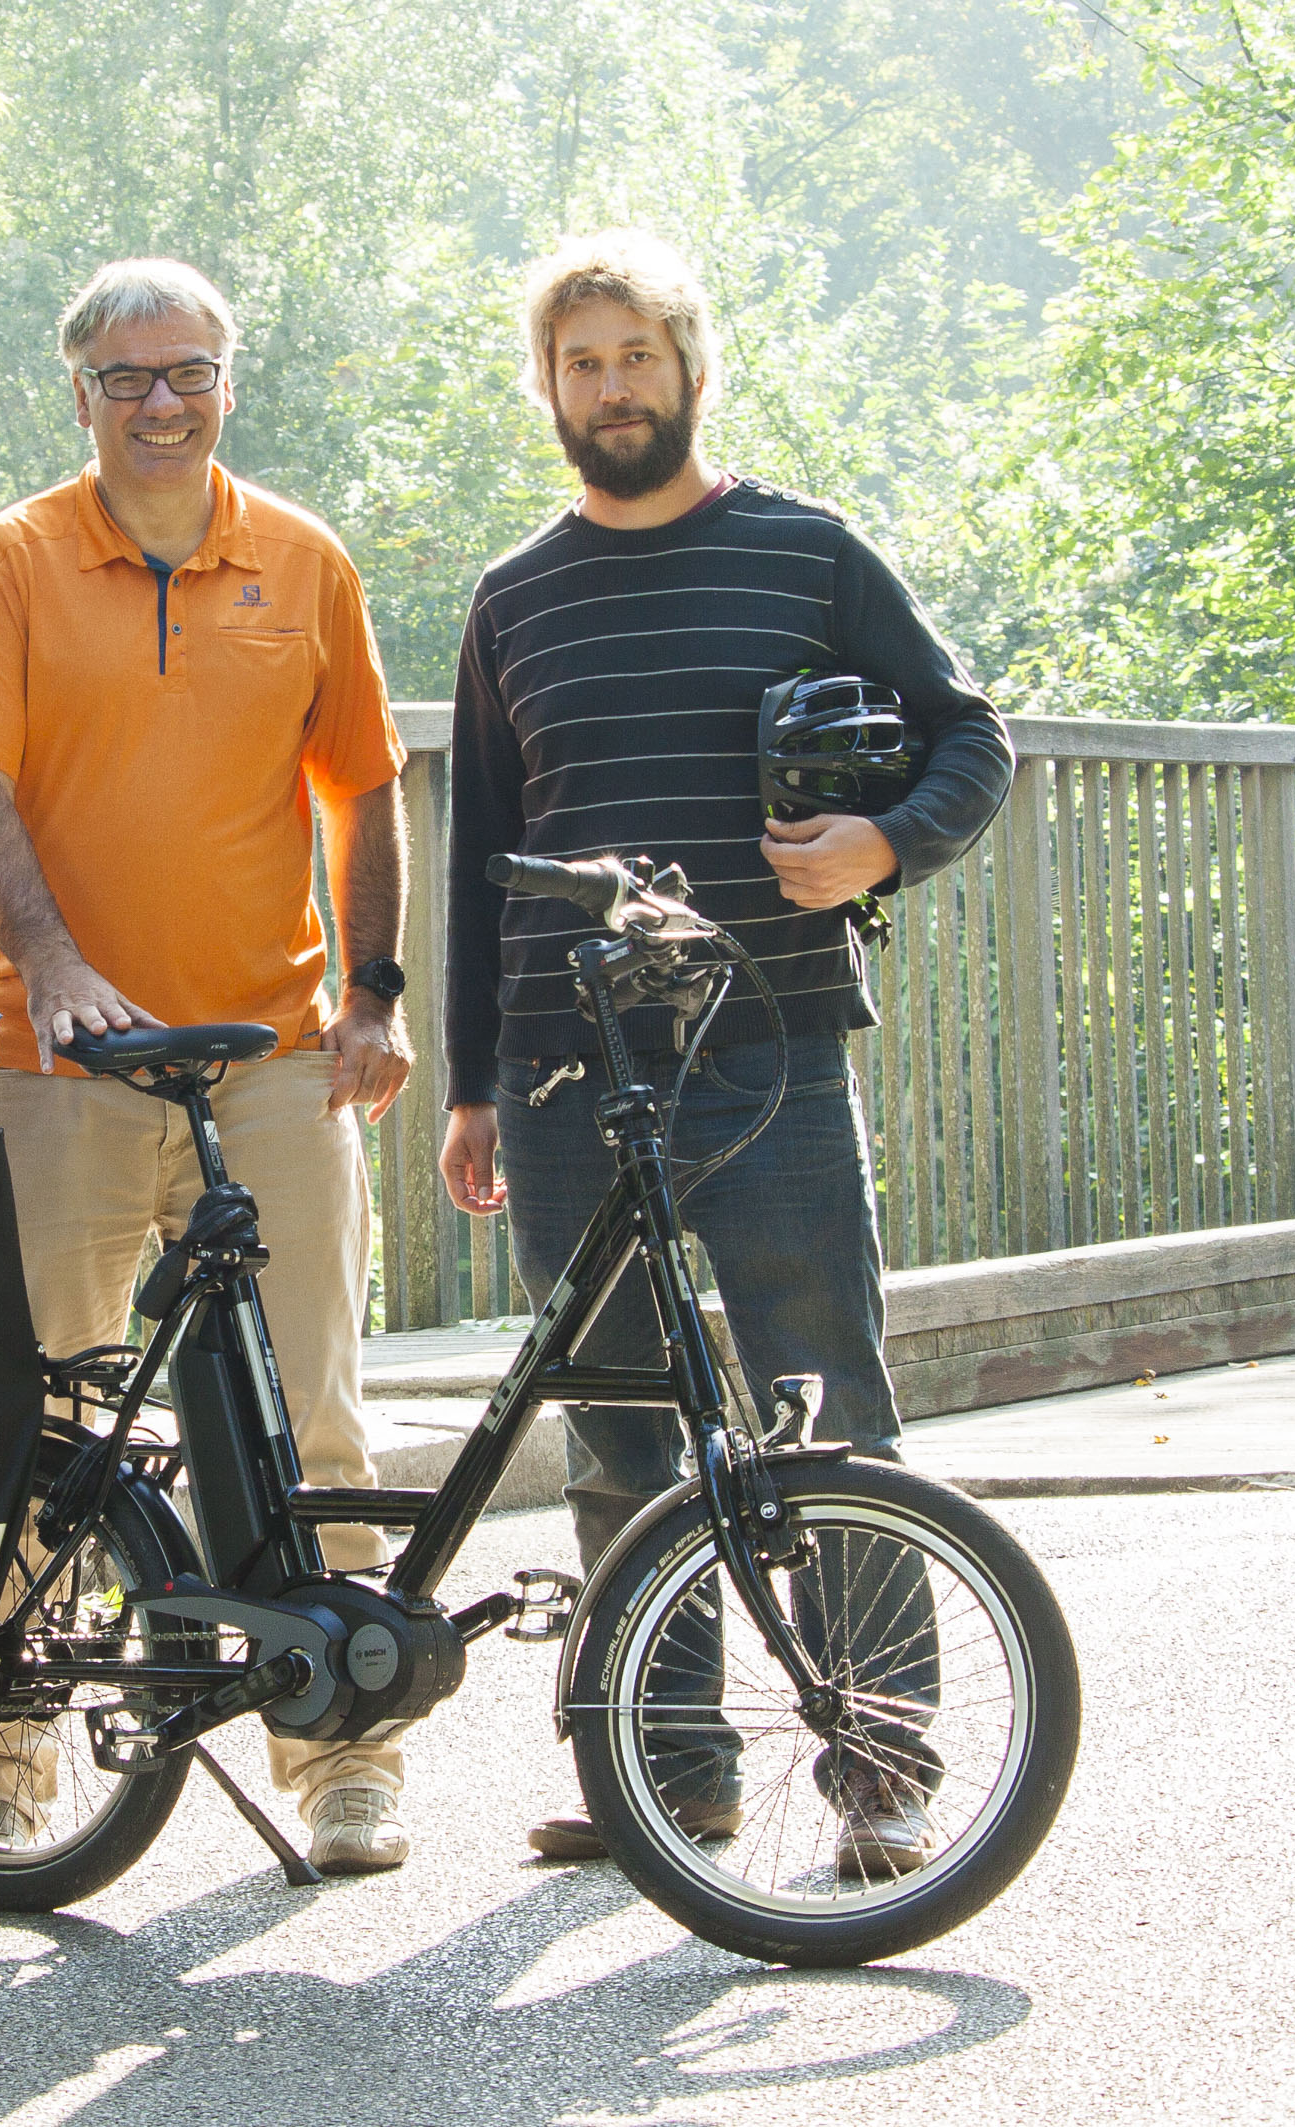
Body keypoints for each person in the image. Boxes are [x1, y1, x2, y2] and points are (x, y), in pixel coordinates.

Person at [434, 231, 1016, 1874]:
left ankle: (886, 1766)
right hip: (563, 1075)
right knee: (618, 1425)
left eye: (635, 356)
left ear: (692, 368)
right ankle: (665, 1779)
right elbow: (487, 843)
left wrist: (885, 846)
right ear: (548, 389)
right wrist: (473, 1079)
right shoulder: (513, 597)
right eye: (580, 363)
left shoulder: (809, 551)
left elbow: (975, 732)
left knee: (821, 1406)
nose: (610, 388)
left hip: (769, 1049)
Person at [0, 258, 421, 1873]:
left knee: (315, 1409)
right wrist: (51, 965)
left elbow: (366, 792)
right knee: (45, 1412)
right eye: (125, 377)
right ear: (80, 396)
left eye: (185, 369)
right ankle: (1, 1735)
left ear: (225, 384)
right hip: (66, 1064)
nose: (158, 401)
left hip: (269, 1052)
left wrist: (379, 995)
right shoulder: (13, 558)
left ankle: (340, 1743)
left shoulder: (304, 560)